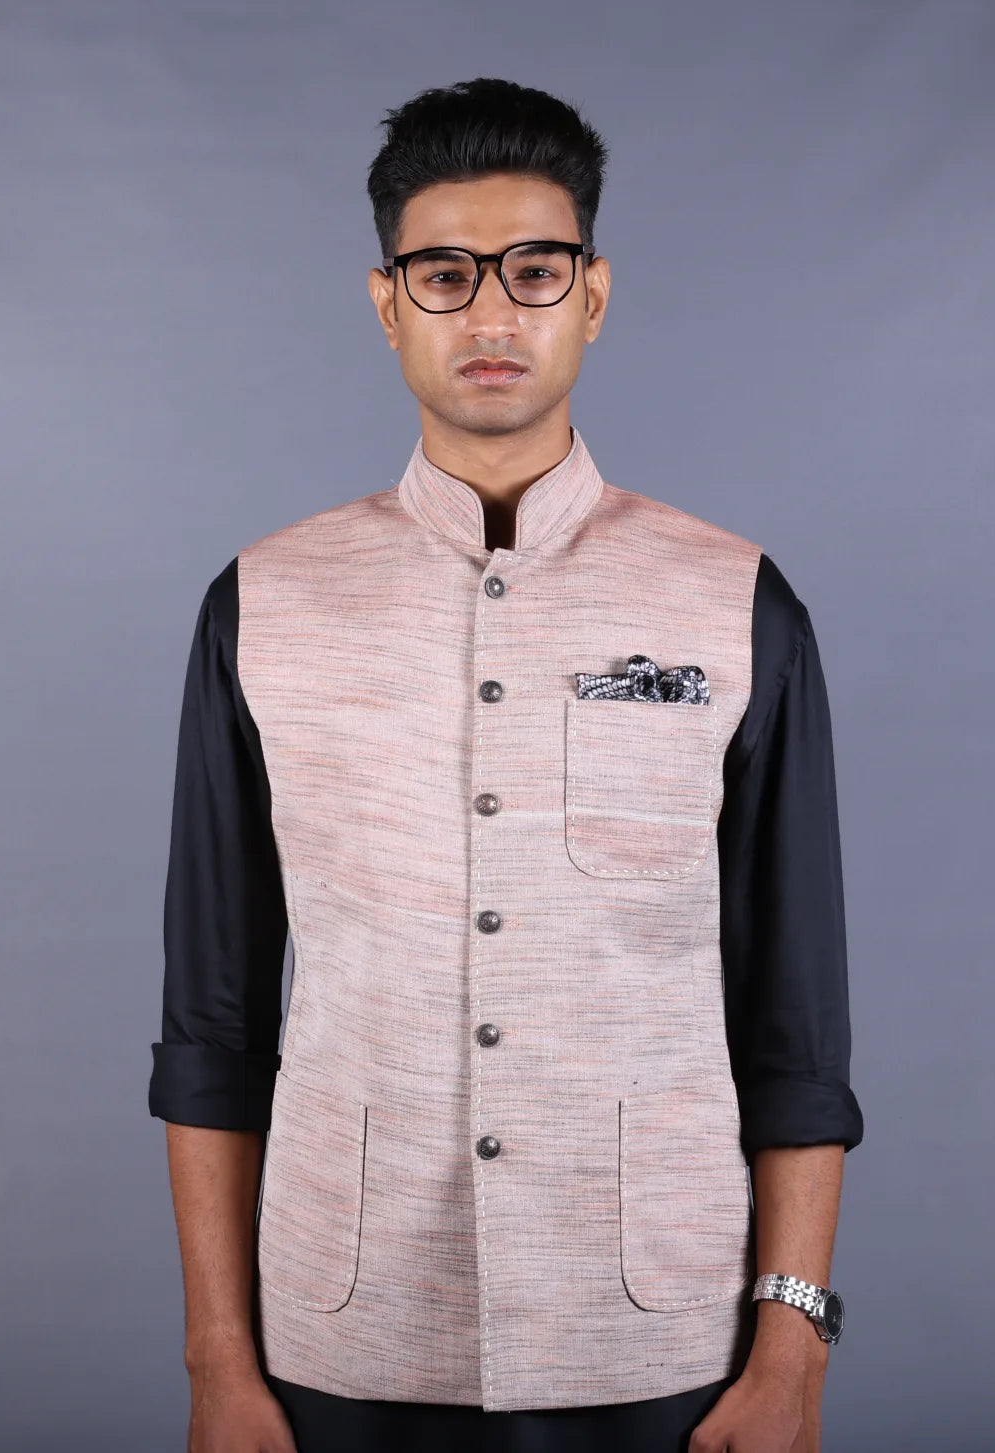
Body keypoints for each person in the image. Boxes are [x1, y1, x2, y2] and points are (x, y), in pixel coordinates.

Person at [147, 76, 864, 1453]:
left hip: (658, 1335)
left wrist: (791, 1351)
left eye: (533, 271)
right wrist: (217, 1360)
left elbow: (795, 1026)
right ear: (386, 303)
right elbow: (212, 1028)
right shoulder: (265, 604)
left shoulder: (733, 603)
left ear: (593, 294)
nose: (489, 315)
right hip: (341, 1334)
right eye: (445, 275)